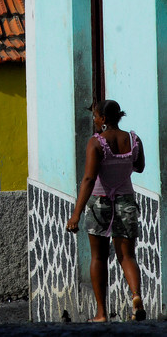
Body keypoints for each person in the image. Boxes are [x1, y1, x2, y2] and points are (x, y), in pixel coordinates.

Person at [66, 99, 146, 323]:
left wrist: (76, 214)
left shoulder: (96, 142)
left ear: (102, 118)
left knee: (98, 257)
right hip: (126, 201)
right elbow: (139, 167)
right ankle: (136, 295)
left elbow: (89, 178)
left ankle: (101, 313)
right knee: (127, 256)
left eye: (95, 116)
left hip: (100, 203)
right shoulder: (133, 139)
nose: (94, 120)